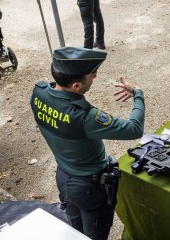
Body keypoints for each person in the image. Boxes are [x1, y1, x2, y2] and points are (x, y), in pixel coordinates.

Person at [30, 47, 145, 240]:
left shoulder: (38, 94)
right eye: (92, 75)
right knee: (95, 234)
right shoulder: (85, 117)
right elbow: (134, 129)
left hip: (64, 178)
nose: (95, 76)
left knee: (75, 232)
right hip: (88, 188)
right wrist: (138, 94)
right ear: (75, 85)